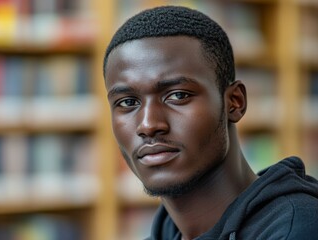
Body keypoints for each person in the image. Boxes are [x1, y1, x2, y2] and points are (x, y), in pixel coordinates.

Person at [103, 5, 318, 240]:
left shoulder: (296, 230)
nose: (148, 124)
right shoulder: (165, 232)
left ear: (234, 102)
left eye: (178, 96)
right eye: (127, 102)